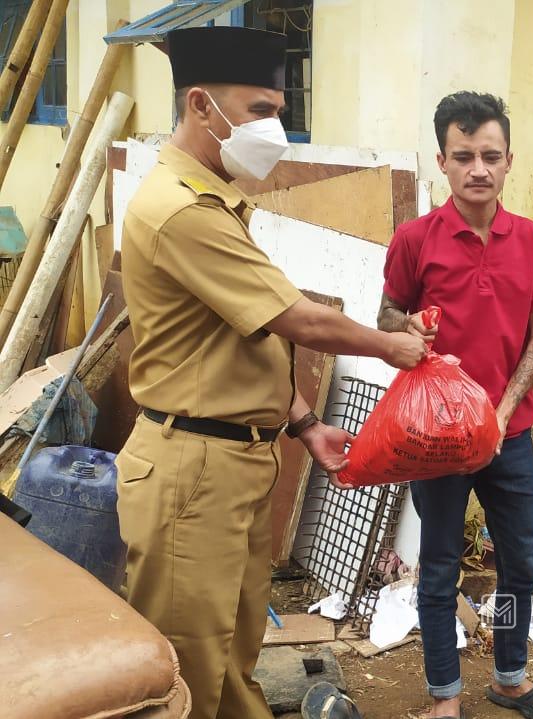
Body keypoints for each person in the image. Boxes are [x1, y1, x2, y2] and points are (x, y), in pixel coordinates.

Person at [115, 26, 428, 719]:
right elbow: (297, 319)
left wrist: (307, 423)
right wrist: (388, 344)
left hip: (234, 461)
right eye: (260, 111)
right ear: (201, 106)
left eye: (279, 110)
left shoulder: (215, 201)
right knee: (189, 662)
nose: (275, 129)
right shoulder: (180, 211)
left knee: (234, 646)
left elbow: (237, 344)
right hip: (193, 468)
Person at [378, 92, 533, 719]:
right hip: (438, 439)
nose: (478, 169)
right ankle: (444, 697)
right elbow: (387, 315)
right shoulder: (414, 239)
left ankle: (510, 678)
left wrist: (506, 405)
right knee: (439, 568)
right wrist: (409, 330)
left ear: (510, 160)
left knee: (519, 564)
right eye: (464, 157)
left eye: (490, 155)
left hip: (510, 435)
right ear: (443, 161)